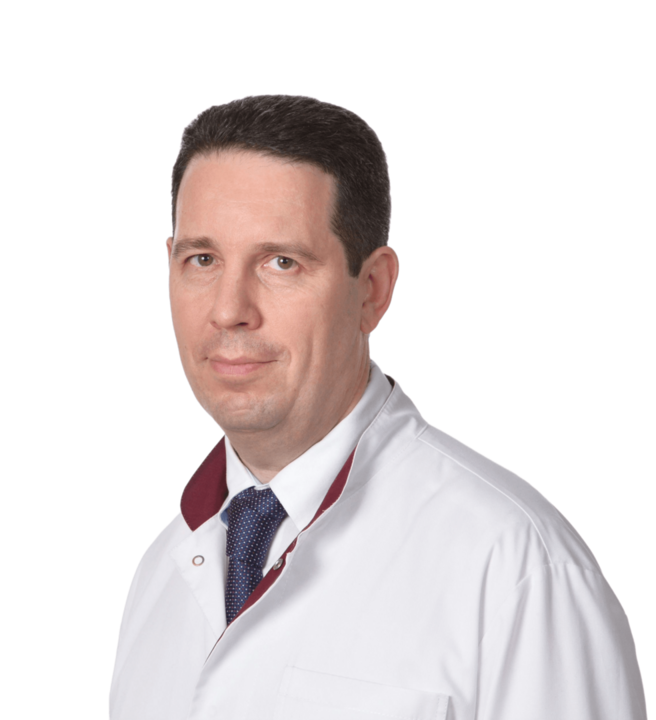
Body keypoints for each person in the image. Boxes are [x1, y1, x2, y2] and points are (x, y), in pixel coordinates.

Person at [106, 94, 648, 719]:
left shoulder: (514, 566)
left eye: (281, 263)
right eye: (202, 259)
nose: (229, 310)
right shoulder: (161, 573)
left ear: (372, 291)